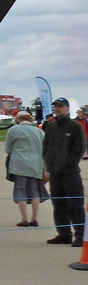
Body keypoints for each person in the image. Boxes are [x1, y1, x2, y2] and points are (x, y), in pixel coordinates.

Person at [42, 97, 86, 247]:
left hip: (70, 174)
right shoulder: (51, 126)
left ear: (67, 108)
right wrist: (48, 163)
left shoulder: (75, 126)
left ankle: (80, 235)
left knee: (75, 205)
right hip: (55, 174)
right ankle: (63, 233)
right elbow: (45, 146)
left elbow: (79, 148)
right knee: (58, 204)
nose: (57, 108)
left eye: (60, 106)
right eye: (55, 106)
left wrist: (69, 164)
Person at [4, 111, 47, 227]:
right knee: (35, 190)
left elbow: (8, 149)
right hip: (36, 164)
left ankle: (24, 218)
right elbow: (44, 148)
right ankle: (34, 218)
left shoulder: (13, 130)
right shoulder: (39, 131)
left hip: (19, 164)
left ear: (17, 119)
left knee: (20, 189)